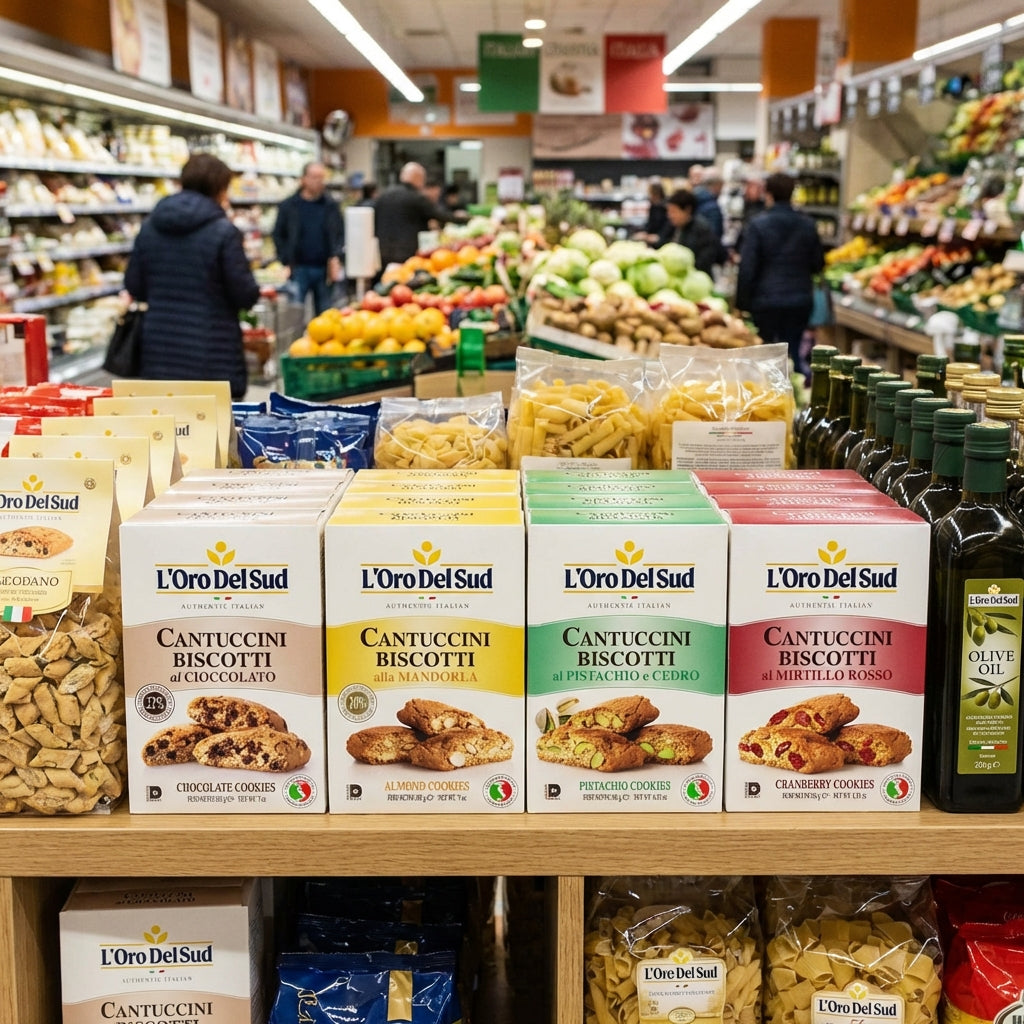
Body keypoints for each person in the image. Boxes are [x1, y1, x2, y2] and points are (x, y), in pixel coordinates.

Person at [123, 152, 259, 400]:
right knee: (212, 422)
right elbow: (245, 294)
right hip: (212, 353)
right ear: (220, 188)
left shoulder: (150, 227)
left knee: (165, 419)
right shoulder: (224, 232)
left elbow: (134, 285)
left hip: (159, 351)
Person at [735, 172, 824, 377]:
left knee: (765, 357)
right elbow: (818, 264)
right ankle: (795, 388)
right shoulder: (808, 224)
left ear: (768, 194)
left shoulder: (758, 225)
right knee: (793, 352)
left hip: (765, 300)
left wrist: (742, 304)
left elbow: (747, 267)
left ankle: (771, 393)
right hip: (800, 299)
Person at [271, 161, 345, 315]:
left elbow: (339, 233)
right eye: (314, 177)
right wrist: (285, 260)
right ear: (303, 179)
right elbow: (278, 234)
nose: (319, 181)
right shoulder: (289, 206)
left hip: (324, 268)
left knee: (325, 314)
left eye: (321, 177)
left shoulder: (331, 206)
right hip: (298, 268)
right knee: (294, 313)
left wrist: (336, 257)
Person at [372, 161, 452, 269]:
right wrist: (466, 218)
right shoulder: (416, 198)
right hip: (408, 253)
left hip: (382, 251)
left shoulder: (384, 195)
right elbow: (440, 216)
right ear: (418, 178)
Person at [656, 189, 721, 275]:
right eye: (669, 211)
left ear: (687, 210)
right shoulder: (673, 227)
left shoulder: (702, 230)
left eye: (673, 211)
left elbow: (703, 262)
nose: (669, 215)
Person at [692, 171, 725, 245]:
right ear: (716, 185)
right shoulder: (712, 207)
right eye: (721, 187)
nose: (721, 191)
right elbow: (714, 233)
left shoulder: (695, 196)